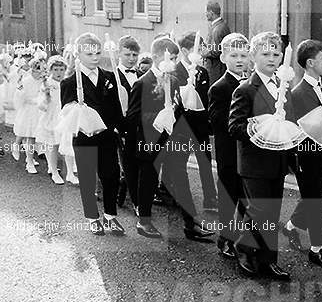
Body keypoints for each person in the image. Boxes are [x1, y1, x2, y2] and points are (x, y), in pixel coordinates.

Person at [126, 35, 214, 241]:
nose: (175, 63)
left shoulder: (174, 81)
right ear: (157, 56)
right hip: (150, 142)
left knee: (181, 181)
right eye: (172, 59)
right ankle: (144, 221)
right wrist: (156, 116)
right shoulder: (142, 83)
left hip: (174, 141)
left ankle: (190, 223)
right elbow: (133, 117)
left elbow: (178, 109)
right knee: (148, 182)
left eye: (176, 59)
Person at [228, 31, 296, 280]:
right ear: (253, 57)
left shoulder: (283, 87)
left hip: (277, 160)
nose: (272, 58)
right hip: (254, 162)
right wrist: (263, 126)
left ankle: (268, 260)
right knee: (258, 210)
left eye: (276, 54)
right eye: (265, 53)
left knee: (272, 212)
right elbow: (234, 127)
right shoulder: (245, 89)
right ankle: (243, 247)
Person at [60, 33, 125, 237]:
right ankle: (92, 217)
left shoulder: (109, 77)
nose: (95, 57)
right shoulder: (70, 82)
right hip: (84, 136)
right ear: (79, 54)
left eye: (98, 53)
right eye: (89, 54)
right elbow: (66, 112)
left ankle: (110, 215)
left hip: (107, 135)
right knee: (88, 177)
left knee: (111, 175)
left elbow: (116, 106)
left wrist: (119, 129)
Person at [282, 39, 322, 268]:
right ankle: (318, 247)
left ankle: (292, 226)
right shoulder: (298, 93)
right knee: (315, 198)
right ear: (310, 63)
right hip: (305, 154)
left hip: (319, 152)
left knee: (311, 194)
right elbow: (300, 127)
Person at [207, 33, 249, 259]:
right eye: (234, 55)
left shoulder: (252, 83)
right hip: (229, 151)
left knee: (246, 196)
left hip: (248, 153)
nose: (239, 60)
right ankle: (225, 237)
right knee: (228, 194)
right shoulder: (220, 88)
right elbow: (217, 122)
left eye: (243, 55)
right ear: (223, 57)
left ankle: (244, 237)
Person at [175, 31, 218, 212]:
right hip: (182, 125)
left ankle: (210, 198)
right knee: (180, 163)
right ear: (185, 50)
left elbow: (205, 99)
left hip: (200, 124)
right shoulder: (175, 71)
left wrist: (208, 122)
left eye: (202, 48)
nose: (201, 53)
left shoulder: (202, 72)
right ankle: (180, 198)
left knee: (205, 162)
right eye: (197, 49)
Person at [36, 55, 76, 185]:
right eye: (56, 69)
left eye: (61, 69)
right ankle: (53, 171)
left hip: (64, 116)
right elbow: (41, 106)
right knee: (52, 144)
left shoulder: (67, 82)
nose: (59, 73)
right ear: (50, 70)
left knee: (67, 143)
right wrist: (46, 98)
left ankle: (70, 172)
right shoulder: (47, 84)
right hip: (51, 116)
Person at [115, 35, 141, 209]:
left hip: (140, 127)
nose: (131, 59)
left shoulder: (142, 76)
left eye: (134, 55)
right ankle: (138, 204)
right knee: (130, 164)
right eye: (127, 55)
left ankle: (122, 192)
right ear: (119, 54)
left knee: (137, 164)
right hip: (121, 128)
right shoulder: (111, 76)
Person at [14, 57, 45, 174]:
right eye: (39, 70)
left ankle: (32, 157)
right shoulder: (26, 81)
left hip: (41, 111)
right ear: (33, 70)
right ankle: (30, 162)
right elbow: (20, 97)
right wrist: (34, 100)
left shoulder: (44, 81)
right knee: (30, 137)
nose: (42, 73)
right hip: (30, 111)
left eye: (43, 70)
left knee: (42, 137)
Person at [204, 2, 231, 83]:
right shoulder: (221, 25)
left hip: (216, 69)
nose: (205, 14)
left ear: (211, 13)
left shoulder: (218, 29)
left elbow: (216, 51)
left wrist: (204, 53)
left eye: (206, 12)